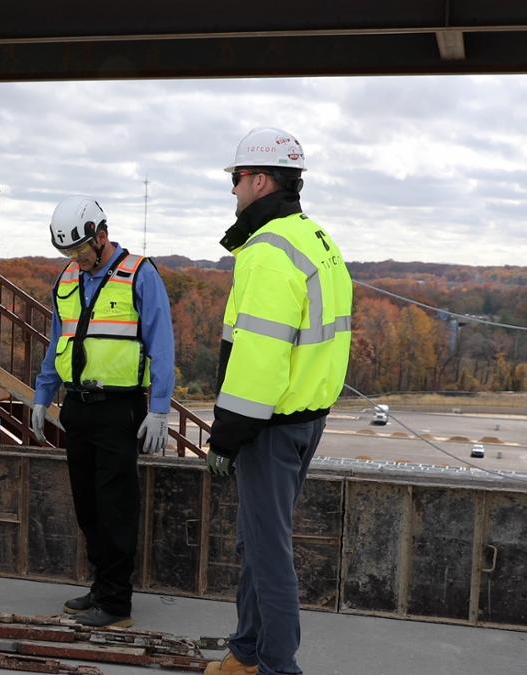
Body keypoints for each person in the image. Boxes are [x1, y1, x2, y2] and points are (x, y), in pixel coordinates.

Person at [203, 129, 352, 675]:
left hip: (269, 424)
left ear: (260, 179)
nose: (234, 191)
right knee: (256, 542)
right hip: (303, 418)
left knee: (268, 555)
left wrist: (228, 435)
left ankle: (275, 668)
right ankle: (246, 652)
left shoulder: (268, 251)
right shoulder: (316, 239)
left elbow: (258, 358)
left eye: (237, 179)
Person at [29, 196, 175, 628]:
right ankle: (101, 587)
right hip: (78, 407)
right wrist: (43, 394)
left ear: (101, 235)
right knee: (88, 506)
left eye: (80, 251)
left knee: (115, 507)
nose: (75, 260)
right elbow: (59, 340)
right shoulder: (69, 278)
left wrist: (161, 408)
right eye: (68, 254)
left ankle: (117, 604)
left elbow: (161, 345)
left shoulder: (140, 276)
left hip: (118, 408)